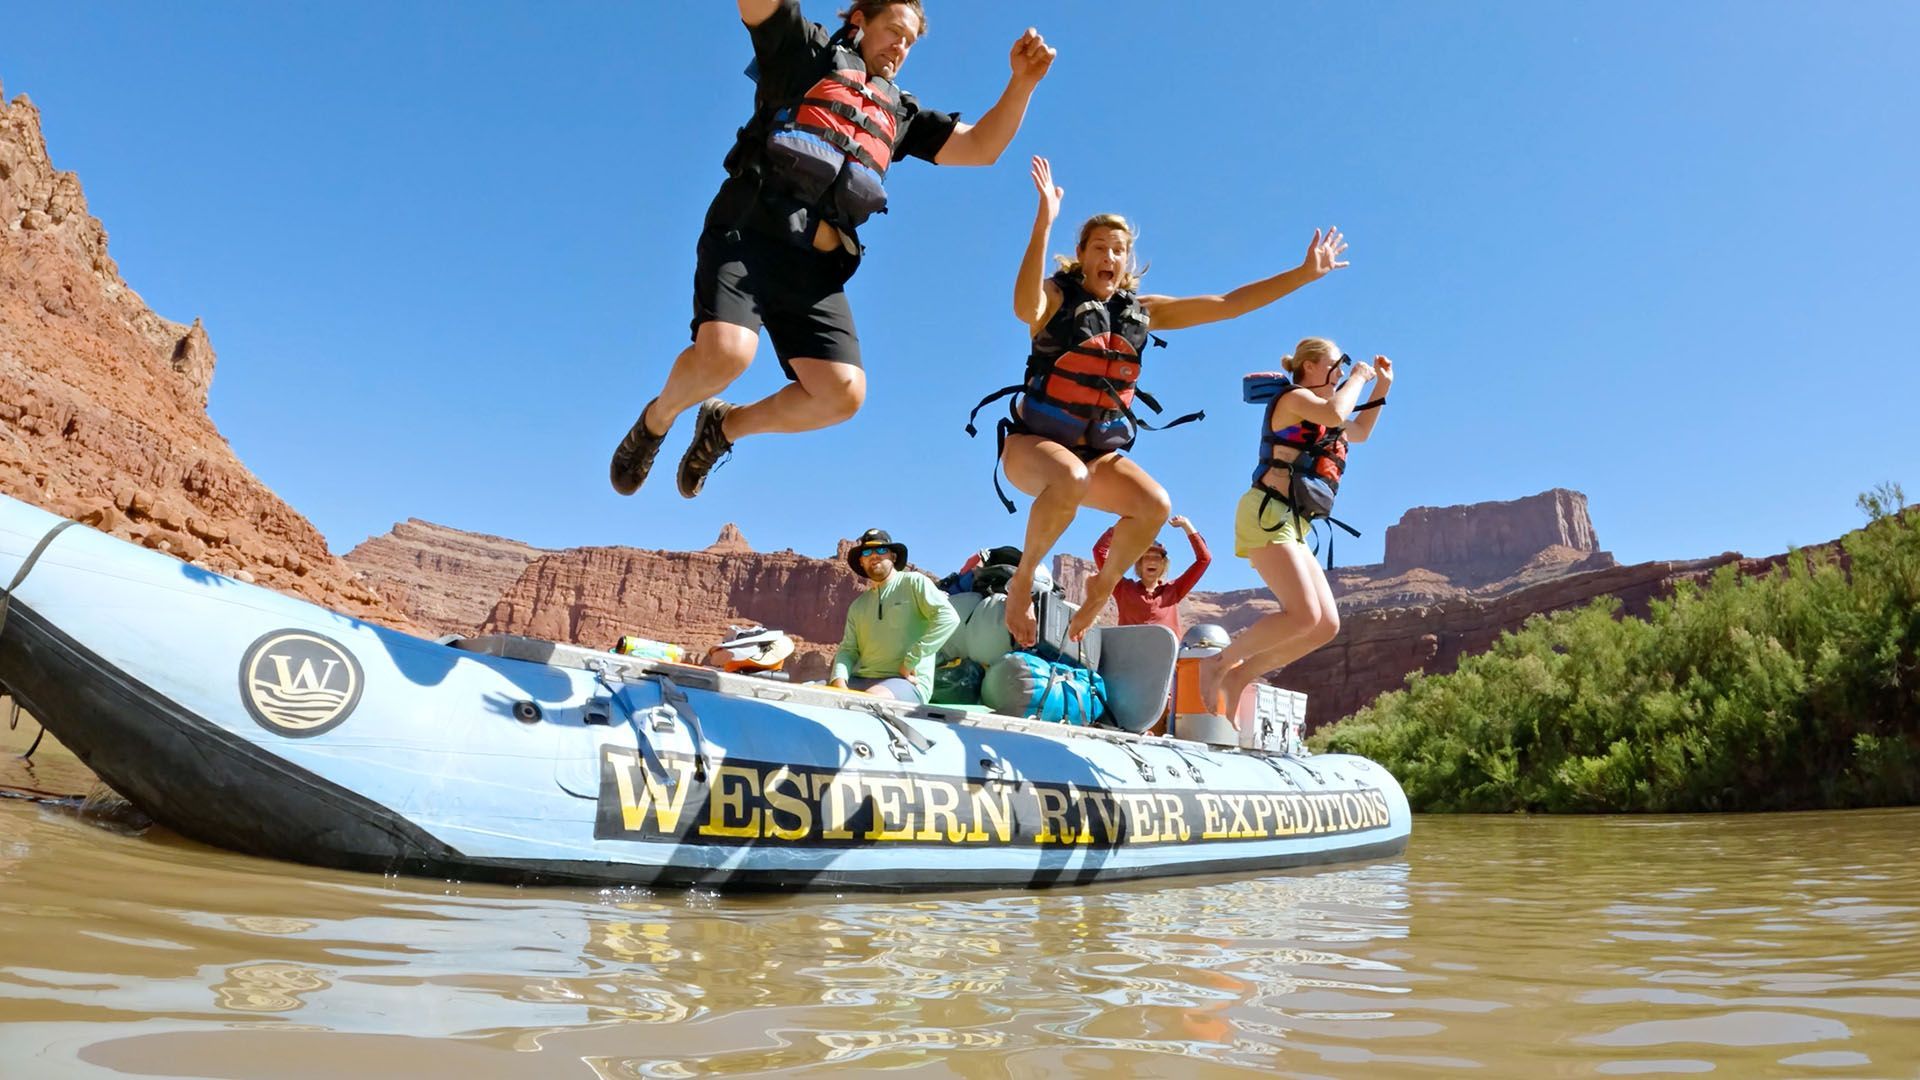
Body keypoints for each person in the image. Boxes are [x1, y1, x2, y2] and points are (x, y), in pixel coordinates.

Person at [610, 0, 1056, 500]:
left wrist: (1023, 82)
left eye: (910, 42)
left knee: (843, 394)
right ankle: (657, 419)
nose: (900, 47)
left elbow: (981, 149)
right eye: (894, 31)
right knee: (727, 357)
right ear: (860, 20)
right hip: (749, 233)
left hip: (813, 270)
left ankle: (725, 428)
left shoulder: (900, 113)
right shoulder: (805, 52)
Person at [986, 156, 1350, 646]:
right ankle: (1023, 581)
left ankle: (1103, 585)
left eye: (1118, 250)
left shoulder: (1143, 313)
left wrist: (1303, 274)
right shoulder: (1056, 297)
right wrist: (1043, 223)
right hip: (1032, 449)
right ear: (1081, 254)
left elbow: (1228, 304)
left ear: (1127, 260)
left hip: (1096, 456)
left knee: (1155, 504)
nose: (1109, 257)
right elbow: (1022, 307)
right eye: (1099, 248)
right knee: (1069, 477)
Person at [1198, 339, 1392, 711]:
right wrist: (1359, 378)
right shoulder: (1294, 399)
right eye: (1338, 364)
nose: (1342, 371)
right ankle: (1218, 663)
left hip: (1295, 523)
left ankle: (1241, 674)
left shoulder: (1322, 415)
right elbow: (1337, 413)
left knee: (1324, 626)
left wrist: (1382, 384)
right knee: (1302, 613)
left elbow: (1360, 430)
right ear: (1312, 366)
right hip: (1266, 514)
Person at [830, 528, 959, 702]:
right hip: (860, 680)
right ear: (861, 561)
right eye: (867, 552)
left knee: (866, 702)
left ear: (893, 557)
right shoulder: (858, 606)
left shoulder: (914, 583)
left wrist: (911, 660)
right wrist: (839, 681)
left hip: (905, 682)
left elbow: (948, 618)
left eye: (881, 550)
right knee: (805, 693)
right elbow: (848, 650)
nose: (874, 555)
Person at [1090, 514, 1211, 636]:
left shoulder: (1173, 591)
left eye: (1157, 558)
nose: (1152, 561)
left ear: (1163, 564)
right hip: (1130, 653)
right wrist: (1122, 526)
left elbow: (1204, 559)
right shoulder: (1122, 588)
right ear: (1139, 563)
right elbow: (1099, 551)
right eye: (1146, 557)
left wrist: (1187, 526)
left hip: (1165, 654)